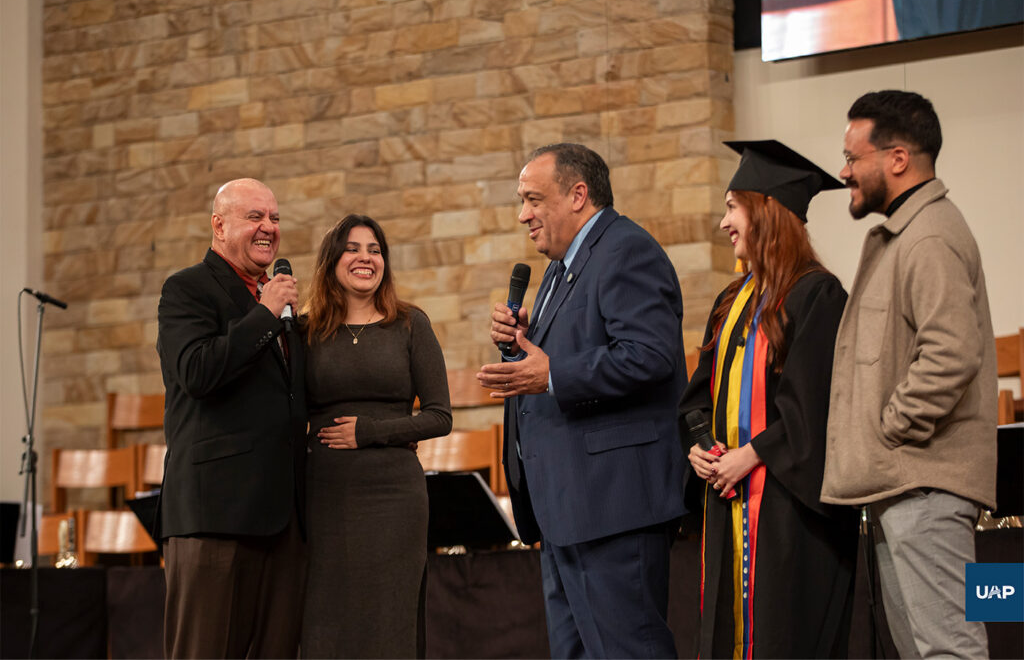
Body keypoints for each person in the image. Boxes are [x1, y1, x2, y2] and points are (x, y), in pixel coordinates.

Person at [477, 143, 687, 658]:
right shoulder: (558, 267)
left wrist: (552, 372)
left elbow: (650, 355)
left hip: (613, 507)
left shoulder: (626, 249)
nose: (522, 215)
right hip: (567, 508)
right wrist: (524, 344)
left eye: (532, 199)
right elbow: (576, 352)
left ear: (578, 194)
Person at [821, 90, 997, 658]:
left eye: (853, 158)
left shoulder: (929, 235)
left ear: (897, 159)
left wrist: (892, 428)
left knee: (948, 649)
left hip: (924, 481)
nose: (845, 171)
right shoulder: (907, 233)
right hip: (906, 483)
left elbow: (951, 353)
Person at [679, 140, 859, 659]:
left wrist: (751, 455)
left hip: (787, 514)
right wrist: (701, 446)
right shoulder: (731, 301)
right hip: (727, 501)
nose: (723, 223)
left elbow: (814, 410)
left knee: (784, 636)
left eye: (733, 208)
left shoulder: (817, 296)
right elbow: (697, 398)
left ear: (767, 214)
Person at [156, 178, 307, 658]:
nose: (268, 228)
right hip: (214, 517)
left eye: (275, 218)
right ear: (219, 226)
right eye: (254, 217)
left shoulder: (278, 307)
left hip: (283, 520)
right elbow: (197, 373)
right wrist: (265, 314)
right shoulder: (187, 289)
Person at [300, 214, 452, 659]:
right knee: (327, 624)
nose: (365, 258)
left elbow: (440, 417)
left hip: (393, 500)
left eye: (375, 250)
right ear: (332, 260)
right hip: (325, 497)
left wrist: (370, 432)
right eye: (353, 248)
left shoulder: (409, 324)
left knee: (390, 624)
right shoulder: (307, 331)